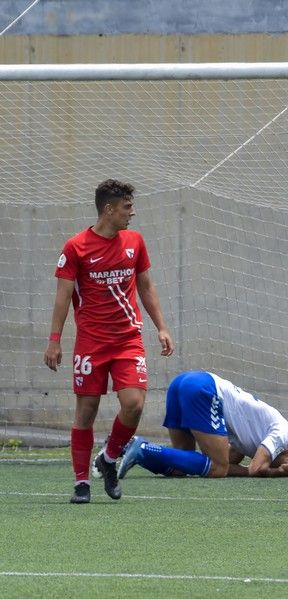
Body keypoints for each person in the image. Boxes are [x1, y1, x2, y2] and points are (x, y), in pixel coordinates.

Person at [43, 179, 174, 504]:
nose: (133, 212)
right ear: (109, 209)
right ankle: (81, 482)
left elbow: (146, 286)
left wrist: (161, 327)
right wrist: (55, 340)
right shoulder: (76, 247)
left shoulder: (135, 242)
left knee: (135, 404)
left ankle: (109, 458)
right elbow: (63, 297)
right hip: (91, 343)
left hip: (127, 341)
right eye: (127, 207)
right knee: (86, 411)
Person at [116, 371, 288, 479]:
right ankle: (142, 447)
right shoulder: (283, 433)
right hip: (205, 389)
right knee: (217, 469)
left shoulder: (253, 439)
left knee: (181, 466)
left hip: (182, 382)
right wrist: (279, 472)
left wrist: (226, 466)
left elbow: (229, 460)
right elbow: (254, 469)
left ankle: (131, 450)